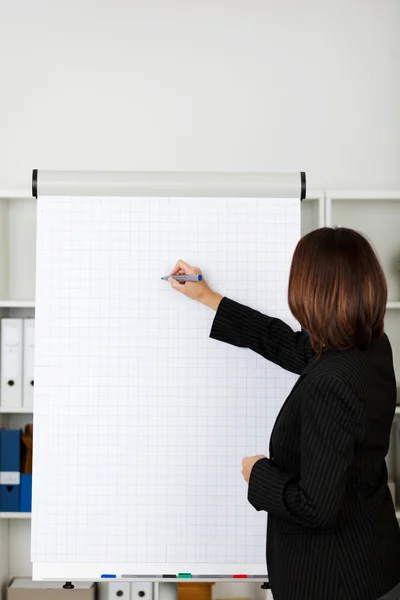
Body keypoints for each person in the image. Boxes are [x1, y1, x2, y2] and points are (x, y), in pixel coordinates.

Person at [168, 227, 400, 600]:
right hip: (371, 562)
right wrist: (209, 298)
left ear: (313, 291)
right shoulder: (370, 347)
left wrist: (258, 473)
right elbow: (286, 343)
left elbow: (317, 506)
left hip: (336, 582)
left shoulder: (332, 382)